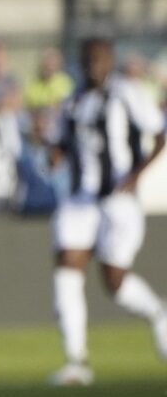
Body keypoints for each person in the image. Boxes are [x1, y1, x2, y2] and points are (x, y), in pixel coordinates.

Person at [48, 38, 167, 386]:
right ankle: (76, 361)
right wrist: (52, 153)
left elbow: (160, 132)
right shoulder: (71, 103)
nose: (93, 67)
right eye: (88, 60)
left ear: (110, 62)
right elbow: (57, 146)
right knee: (67, 271)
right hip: (80, 200)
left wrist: (136, 175)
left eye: (99, 60)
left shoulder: (126, 94)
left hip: (117, 200)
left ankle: (158, 312)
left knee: (114, 281)